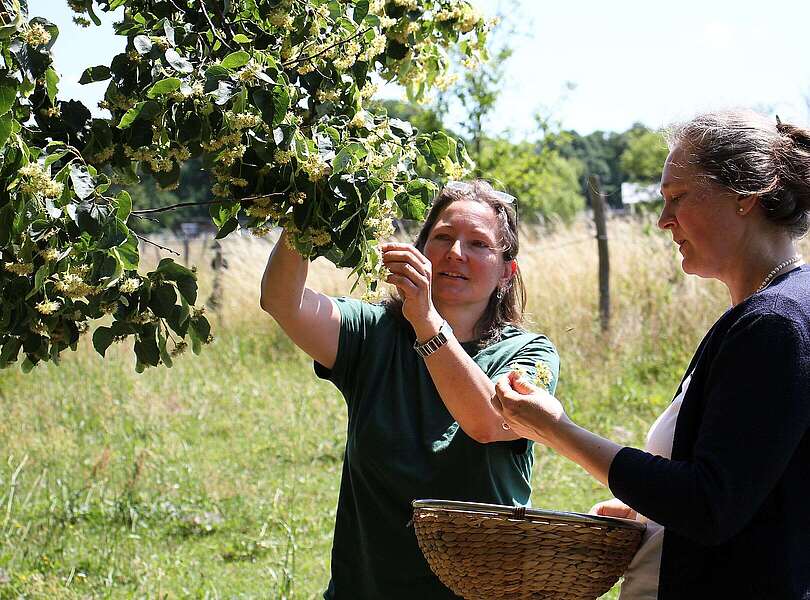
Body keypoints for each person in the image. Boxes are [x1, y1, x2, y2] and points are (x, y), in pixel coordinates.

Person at [493, 110, 810, 599]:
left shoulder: (775, 324)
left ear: (746, 195)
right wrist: (649, 513)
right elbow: (754, 486)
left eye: (676, 197)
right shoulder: (771, 311)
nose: (663, 220)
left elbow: (708, 506)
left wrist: (556, 429)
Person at [260, 180, 559, 599]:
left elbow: (488, 423)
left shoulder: (528, 353)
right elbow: (282, 301)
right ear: (420, 250)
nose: (456, 253)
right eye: (443, 237)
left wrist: (427, 321)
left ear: (506, 272)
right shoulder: (372, 332)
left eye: (478, 244)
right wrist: (308, 204)